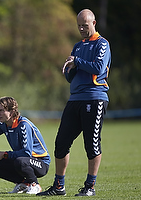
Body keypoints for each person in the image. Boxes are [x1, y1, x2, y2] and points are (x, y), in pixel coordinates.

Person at [37, 9, 111, 197]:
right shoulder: (78, 46)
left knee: (91, 145)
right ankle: (59, 186)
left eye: (84, 25)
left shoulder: (102, 44)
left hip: (94, 98)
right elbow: (72, 77)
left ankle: (90, 187)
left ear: (94, 23)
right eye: (78, 25)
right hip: (75, 100)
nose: (80, 28)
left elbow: (98, 67)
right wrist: (68, 69)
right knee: (61, 143)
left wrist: (77, 61)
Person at [0, 96, 51, 194]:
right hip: (22, 159)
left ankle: (35, 185)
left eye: (2, 110)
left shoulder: (23, 125)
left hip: (41, 163)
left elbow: (27, 152)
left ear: (12, 111)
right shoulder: (3, 124)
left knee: (20, 161)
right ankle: (23, 184)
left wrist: (4, 154)